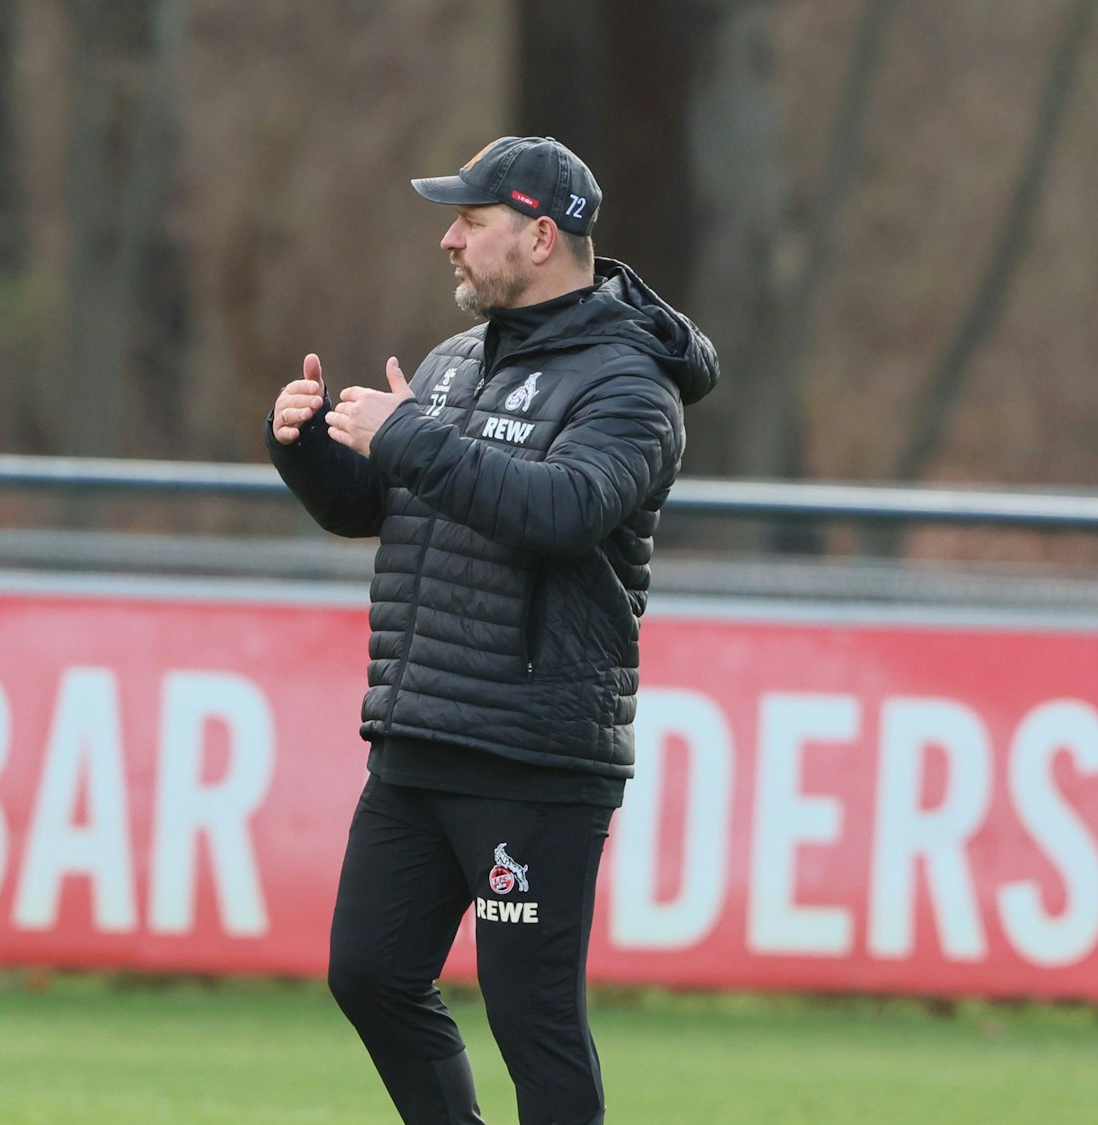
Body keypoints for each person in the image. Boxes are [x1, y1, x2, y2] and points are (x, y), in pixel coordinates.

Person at [268, 136, 718, 1124]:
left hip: (532, 751)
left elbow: (560, 511)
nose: (449, 240)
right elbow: (384, 507)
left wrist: (411, 437)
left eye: (470, 222)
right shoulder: (451, 361)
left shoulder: (628, 386)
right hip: (420, 732)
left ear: (539, 236)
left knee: (531, 1019)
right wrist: (305, 453)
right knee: (369, 974)